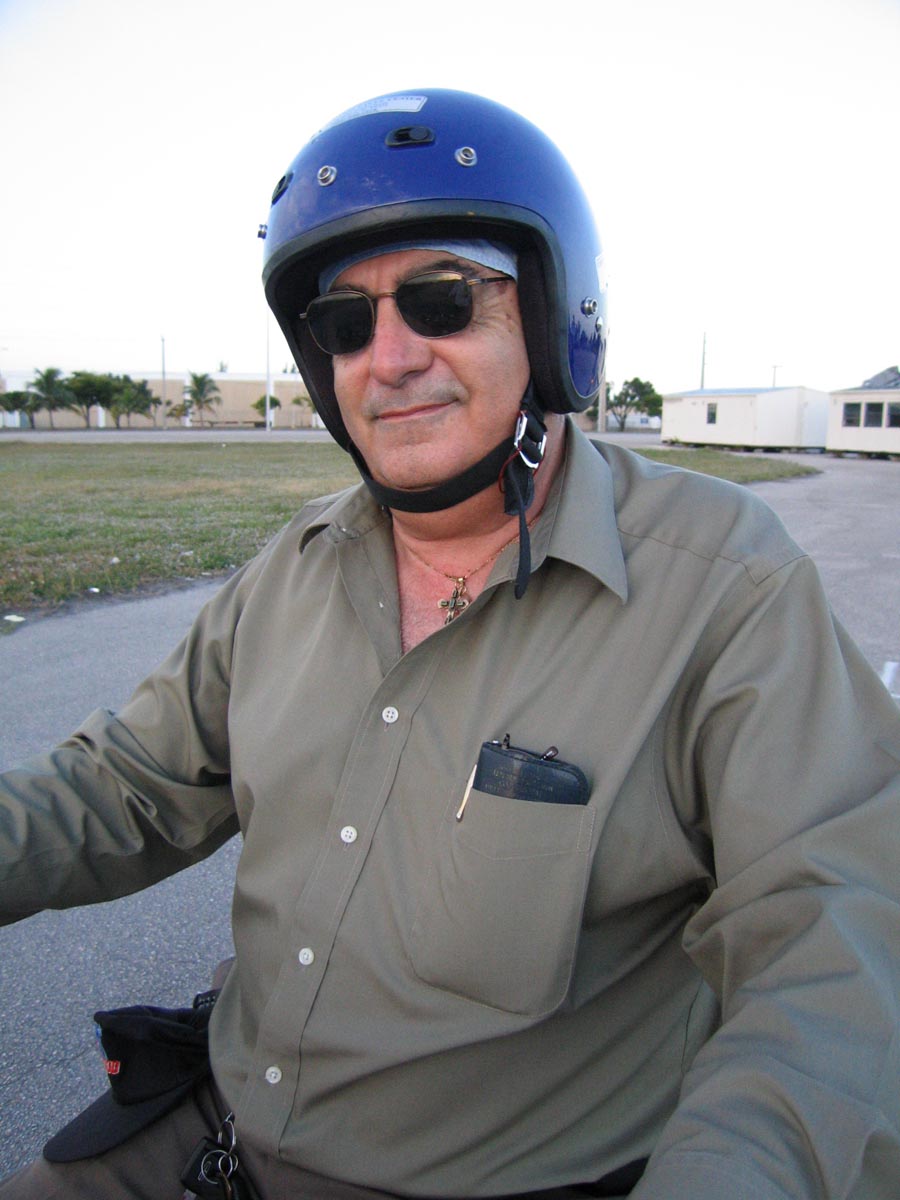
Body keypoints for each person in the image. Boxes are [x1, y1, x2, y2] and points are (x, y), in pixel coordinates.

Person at [1, 87, 899, 1200]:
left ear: (555, 323)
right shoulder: (293, 569)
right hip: (222, 1120)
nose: (389, 358)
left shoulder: (724, 585)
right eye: (344, 323)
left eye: (442, 301)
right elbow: (124, 786)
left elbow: (831, 945)